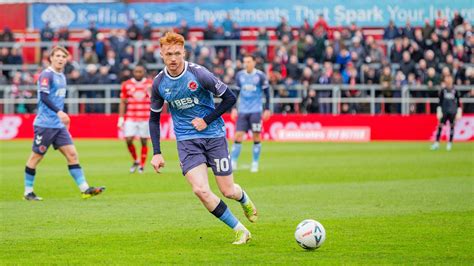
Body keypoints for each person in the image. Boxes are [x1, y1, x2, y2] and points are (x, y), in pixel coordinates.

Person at [149, 32, 257, 245]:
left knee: (228, 191)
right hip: (187, 141)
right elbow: (154, 119)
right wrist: (157, 152)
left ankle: (243, 198)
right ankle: (240, 230)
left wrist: (207, 120)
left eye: (177, 54)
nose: (173, 58)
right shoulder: (159, 83)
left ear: (184, 53)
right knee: (200, 190)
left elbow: (229, 98)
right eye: (168, 54)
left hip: (214, 136)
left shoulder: (199, 74)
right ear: (161, 54)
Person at [23, 46, 105, 201]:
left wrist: (63, 117)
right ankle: (28, 192)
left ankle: (85, 189)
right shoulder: (47, 75)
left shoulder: (62, 76)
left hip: (58, 125)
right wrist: (59, 112)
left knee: (72, 154)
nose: (60, 59)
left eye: (63, 56)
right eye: (58, 56)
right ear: (51, 58)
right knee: (36, 157)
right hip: (45, 124)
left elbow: (57, 100)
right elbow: (45, 97)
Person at [230, 54, 270, 172]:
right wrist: (233, 108)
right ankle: (233, 161)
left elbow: (267, 94)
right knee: (238, 135)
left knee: (256, 135)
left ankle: (255, 162)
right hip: (242, 110)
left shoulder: (260, 76)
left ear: (254, 62)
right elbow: (236, 93)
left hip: (256, 111)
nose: (246, 64)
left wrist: (267, 109)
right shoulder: (240, 76)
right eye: (245, 62)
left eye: (248, 61)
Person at [118, 64, 153, 173]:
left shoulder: (150, 84)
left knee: (143, 141)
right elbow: (123, 102)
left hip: (145, 117)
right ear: (133, 72)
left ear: (144, 72)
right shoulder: (126, 84)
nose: (138, 73)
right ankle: (136, 160)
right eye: (136, 71)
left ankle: (142, 165)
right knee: (128, 139)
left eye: (140, 71)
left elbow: (155, 100)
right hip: (131, 117)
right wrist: (121, 118)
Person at [431, 75, 462, 151]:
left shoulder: (455, 90)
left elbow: (458, 102)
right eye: (447, 79)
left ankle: (449, 143)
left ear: (452, 80)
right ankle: (437, 143)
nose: (448, 80)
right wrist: (439, 110)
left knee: (452, 126)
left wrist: (459, 111)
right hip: (444, 111)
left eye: (449, 79)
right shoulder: (443, 90)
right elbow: (440, 101)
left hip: (452, 111)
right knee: (440, 126)